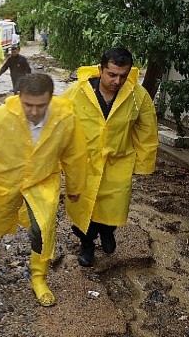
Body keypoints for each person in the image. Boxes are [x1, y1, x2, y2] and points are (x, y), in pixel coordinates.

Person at [0, 73, 87, 307]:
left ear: (51, 98)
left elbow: (75, 154)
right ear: (19, 96)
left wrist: (75, 186)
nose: (33, 111)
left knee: (42, 228)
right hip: (4, 178)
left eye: (40, 106)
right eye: (27, 104)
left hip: (42, 180)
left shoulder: (66, 119)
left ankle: (39, 277)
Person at [62, 47, 158, 267]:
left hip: (118, 163)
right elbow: (58, 125)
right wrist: (59, 159)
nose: (117, 80)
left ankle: (107, 230)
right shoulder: (77, 92)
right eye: (112, 74)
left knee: (113, 206)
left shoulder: (137, 96)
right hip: (84, 163)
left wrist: (143, 164)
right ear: (100, 70)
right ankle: (87, 245)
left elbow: (147, 130)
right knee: (84, 208)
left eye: (123, 75)